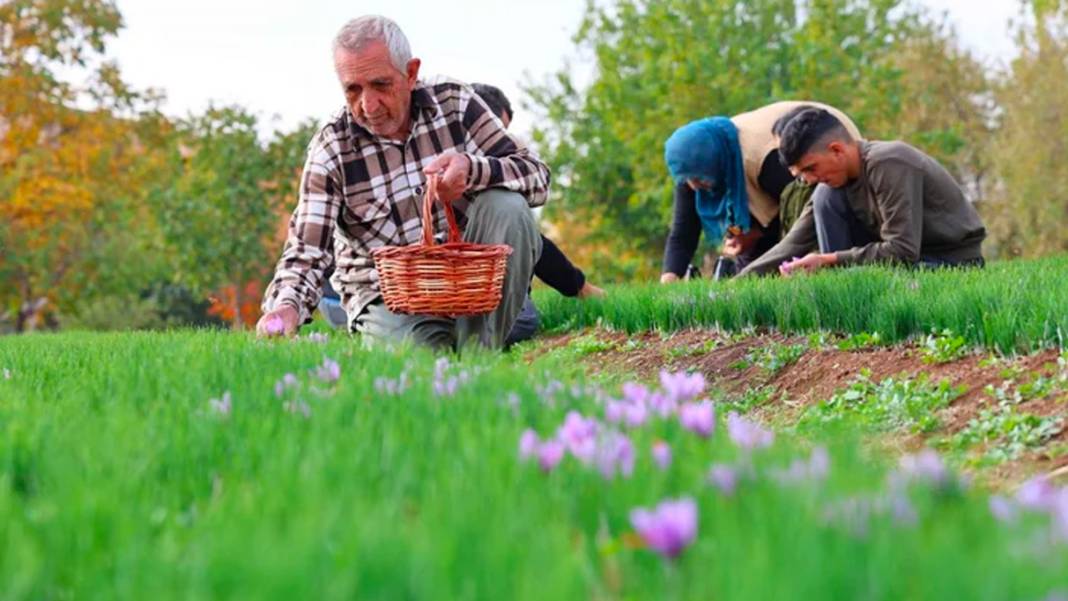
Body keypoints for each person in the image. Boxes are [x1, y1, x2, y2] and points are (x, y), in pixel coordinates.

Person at [256, 15, 550, 350]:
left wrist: (473, 170)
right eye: (353, 89)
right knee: (419, 356)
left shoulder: (453, 103)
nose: (368, 105)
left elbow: (537, 177)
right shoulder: (332, 149)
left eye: (381, 85)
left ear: (411, 73)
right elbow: (307, 249)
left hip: (466, 283)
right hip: (388, 296)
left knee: (507, 205)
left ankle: (479, 352)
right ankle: (469, 338)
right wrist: (284, 307)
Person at [739, 107, 986, 276]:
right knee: (825, 196)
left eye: (812, 168)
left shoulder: (889, 163)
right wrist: (737, 285)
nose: (811, 179)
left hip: (949, 262)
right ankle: (840, 287)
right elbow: (795, 242)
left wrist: (828, 261)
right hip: (907, 265)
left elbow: (902, 251)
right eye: (803, 175)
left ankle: (843, 283)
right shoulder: (832, 184)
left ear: (837, 150)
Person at [660, 101, 860, 282]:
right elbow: (683, 230)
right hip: (773, 198)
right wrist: (669, 277)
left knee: (789, 271)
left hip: (816, 159)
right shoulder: (690, 166)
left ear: (714, 164)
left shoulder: (767, 160)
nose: (694, 186)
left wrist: (757, 233)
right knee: (750, 277)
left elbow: (799, 222)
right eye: (688, 180)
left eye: (699, 178)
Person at [469, 83, 604, 346]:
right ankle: (469, 338)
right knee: (524, 319)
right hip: (476, 292)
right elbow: (536, 246)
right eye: (499, 132)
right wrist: (581, 288)